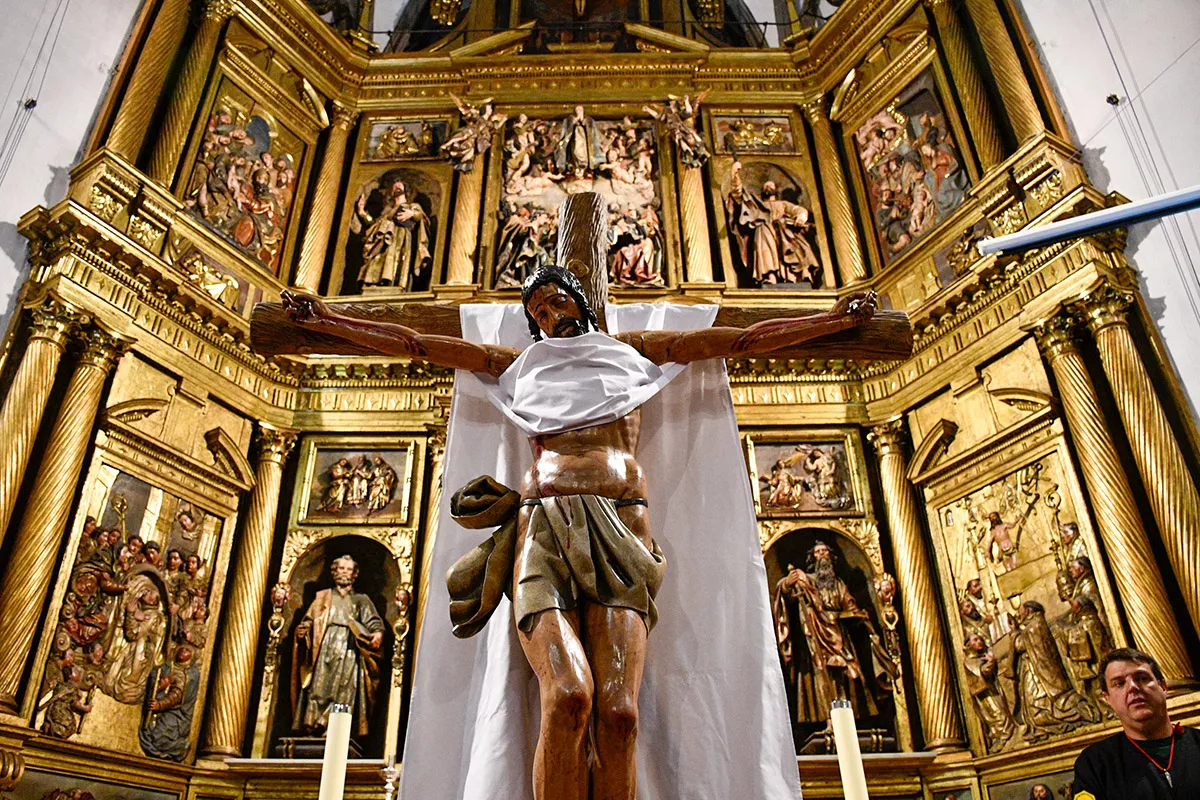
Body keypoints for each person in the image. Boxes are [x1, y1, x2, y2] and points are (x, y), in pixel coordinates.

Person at [280, 263, 874, 800]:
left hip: (623, 528)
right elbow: (417, 344)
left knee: (618, 713)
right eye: (534, 310)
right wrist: (331, 320)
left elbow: (735, 341)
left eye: (554, 299)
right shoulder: (518, 364)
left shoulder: (631, 351)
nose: (545, 312)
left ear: (581, 301)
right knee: (567, 697)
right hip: (543, 531)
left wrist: (827, 320)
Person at [1073, 647, 1200, 798]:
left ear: (1163, 687)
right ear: (1107, 699)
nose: (1133, 687)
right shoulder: (1095, 763)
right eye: (1119, 683)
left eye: (1142, 678)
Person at [291, 555, 385, 736]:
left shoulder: (361, 600)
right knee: (319, 687)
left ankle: (337, 728)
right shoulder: (322, 598)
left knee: (345, 689)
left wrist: (377, 634)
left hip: (349, 647)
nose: (344, 573)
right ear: (334, 572)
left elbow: (374, 622)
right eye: (341, 569)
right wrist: (303, 631)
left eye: (349, 570)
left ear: (354, 574)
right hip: (324, 645)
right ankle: (314, 724)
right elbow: (309, 621)